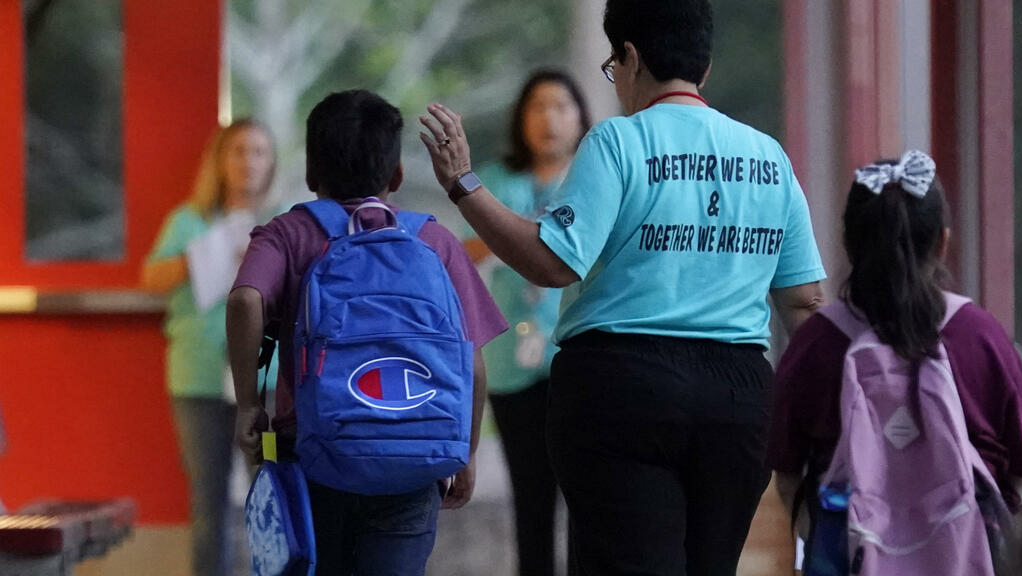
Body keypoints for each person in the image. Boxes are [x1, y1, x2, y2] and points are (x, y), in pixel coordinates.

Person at [418, 1, 826, 573]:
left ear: (629, 57)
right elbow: (805, 304)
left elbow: (552, 261)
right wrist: (816, 422)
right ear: (703, 66)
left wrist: (464, 185)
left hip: (625, 390)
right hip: (738, 399)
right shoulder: (769, 159)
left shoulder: (617, 143)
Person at [226, 90, 507, 576]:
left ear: (312, 173)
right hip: (413, 462)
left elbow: (245, 300)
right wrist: (466, 450)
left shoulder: (289, 233)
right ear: (395, 175)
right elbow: (471, 360)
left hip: (316, 456)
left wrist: (250, 403)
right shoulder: (433, 240)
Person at [767, 151, 1022, 569]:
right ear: (942, 242)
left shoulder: (817, 342)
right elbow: (1017, 465)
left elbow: (786, 474)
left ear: (849, 243)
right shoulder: (982, 337)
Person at [465, 69, 590, 576]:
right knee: (531, 499)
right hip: (512, 365)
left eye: (561, 106)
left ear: (582, 117)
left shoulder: (595, 179)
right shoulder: (494, 181)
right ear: (521, 119)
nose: (549, 118)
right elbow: (467, 255)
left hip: (580, 360)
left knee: (588, 498)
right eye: (537, 106)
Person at [141, 118, 277, 576]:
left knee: (272, 493)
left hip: (269, 387)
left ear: (271, 163)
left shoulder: (281, 223)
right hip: (198, 382)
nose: (248, 162)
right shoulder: (189, 221)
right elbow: (151, 279)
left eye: (258, 151)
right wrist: (208, 253)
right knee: (209, 503)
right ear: (219, 160)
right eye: (238, 150)